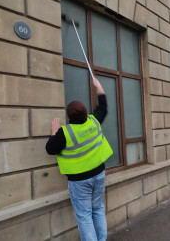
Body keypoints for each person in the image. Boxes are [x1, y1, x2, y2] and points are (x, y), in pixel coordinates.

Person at [46, 77, 113, 241]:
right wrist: (99, 87)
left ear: (68, 117)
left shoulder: (64, 133)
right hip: (99, 174)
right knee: (97, 209)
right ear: (86, 114)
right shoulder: (94, 121)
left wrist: (54, 131)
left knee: (84, 216)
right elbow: (103, 107)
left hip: (79, 181)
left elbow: (50, 149)